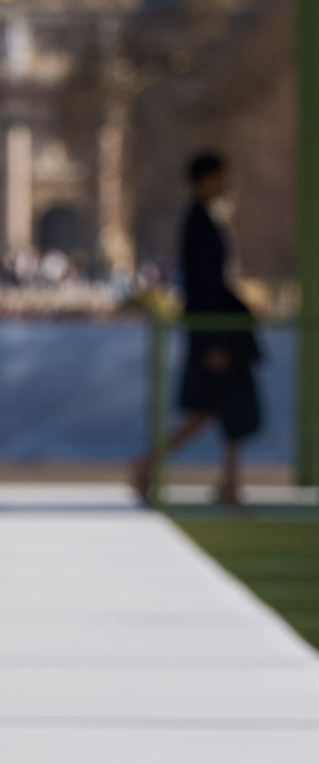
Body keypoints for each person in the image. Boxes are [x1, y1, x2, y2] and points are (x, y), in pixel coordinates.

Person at [134, 151, 260, 506]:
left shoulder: (207, 219)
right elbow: (203, 286)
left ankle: (226, 482)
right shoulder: (199, 223)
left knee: (225, 409)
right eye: (220, 176)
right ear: (205, 179)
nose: (226, 183)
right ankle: (150, 465)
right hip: (216, 334)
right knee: (214, 407)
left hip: (221, 331)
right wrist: (213, 340)